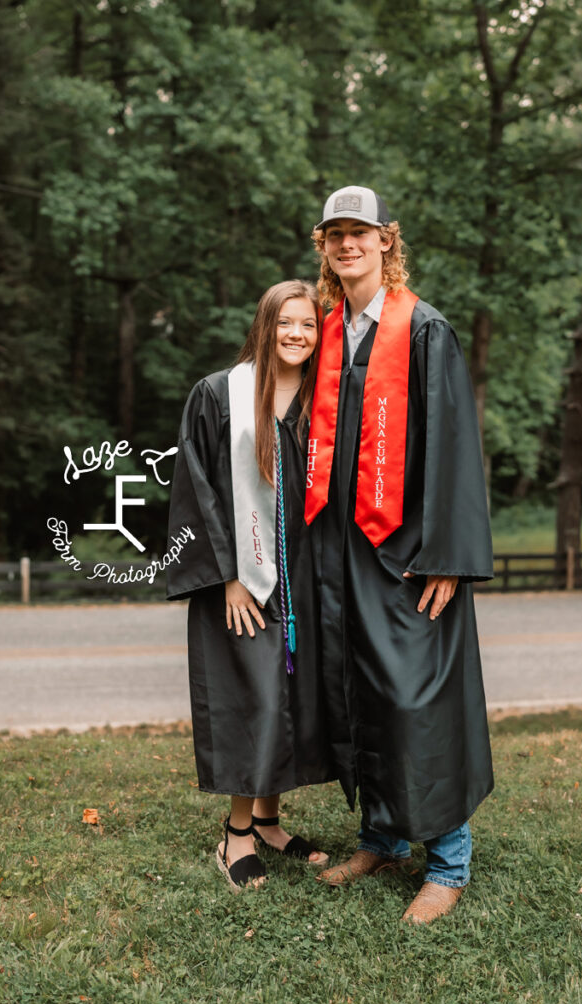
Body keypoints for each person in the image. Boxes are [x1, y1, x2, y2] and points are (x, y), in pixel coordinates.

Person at [305, 186, 494, 924]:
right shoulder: (328, 333)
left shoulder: (422, 330)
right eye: (334, 235)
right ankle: (381, 837)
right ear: (322, 247)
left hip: (408, 550)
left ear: (386, 240)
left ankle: (448, 860)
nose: (347, 245)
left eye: (360, 232)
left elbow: (451, 446)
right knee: (362, 689)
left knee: (418, 696)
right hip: (339, 548)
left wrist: (448, 552)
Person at [166, 279, 335, 891]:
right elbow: (197, 491)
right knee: (255, 698)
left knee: (291, 698)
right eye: (286, 322)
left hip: (305, 577)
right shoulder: (219, 394)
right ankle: (235, 835)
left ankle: (268, 820)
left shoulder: (324, 398)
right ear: (265, 326)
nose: (297, 334)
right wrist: (229, 577)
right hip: (240, 580)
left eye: (309, 324)